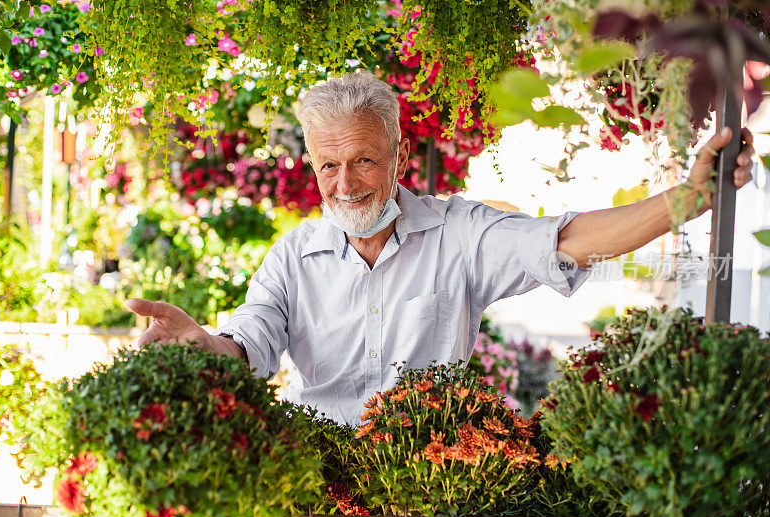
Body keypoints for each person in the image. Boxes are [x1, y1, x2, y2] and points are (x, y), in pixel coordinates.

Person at [126, 70, 756, 427]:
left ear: (400, 157)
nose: (344, 186)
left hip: (434, 474)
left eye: (364, 161)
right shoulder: (291, 258)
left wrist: (685, 200)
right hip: (316, 468)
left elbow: (565, 240)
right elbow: (250, 345)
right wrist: (203, 344)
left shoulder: (458, 233)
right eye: (328, 167)